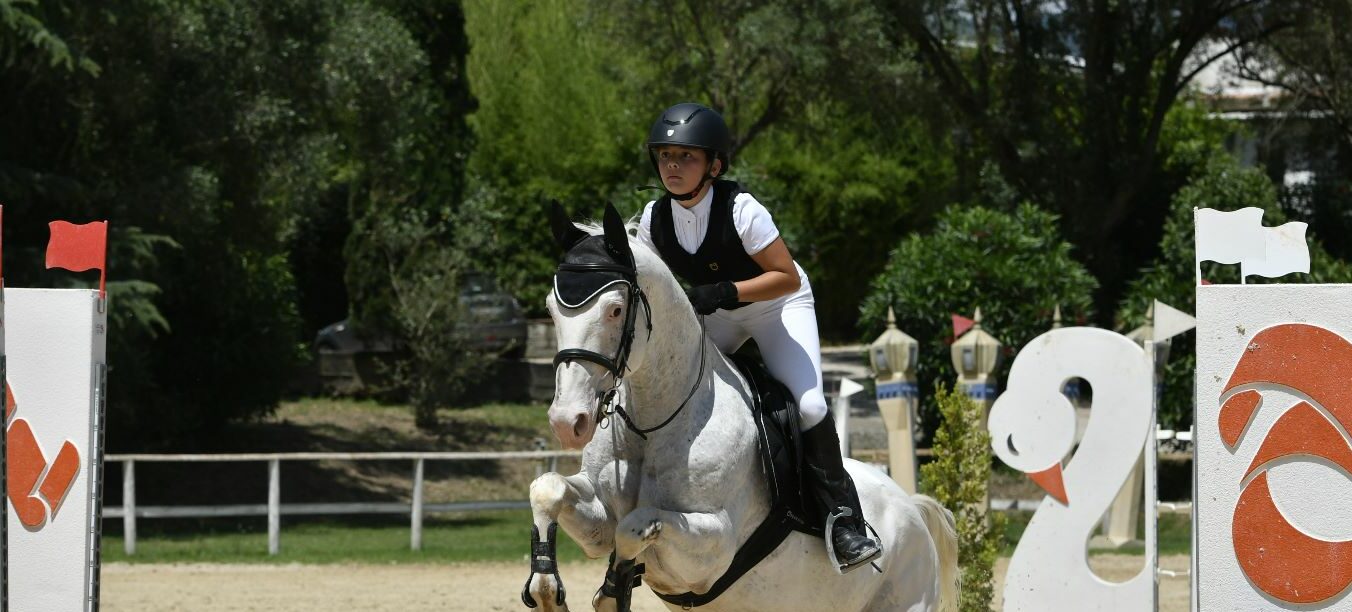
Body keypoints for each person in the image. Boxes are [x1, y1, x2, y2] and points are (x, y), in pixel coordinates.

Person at [635, 102, 881, 573]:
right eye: (665, 156)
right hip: (718, 314)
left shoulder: (742, 209)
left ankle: (845, 521)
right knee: (667, 389)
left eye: (686, 156)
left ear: (714, 165)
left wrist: (725, 289)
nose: (672, 166)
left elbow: (785, 277)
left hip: (776, 307)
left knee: (809, 404)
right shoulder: (653, 219)